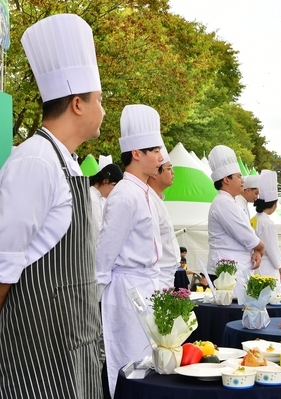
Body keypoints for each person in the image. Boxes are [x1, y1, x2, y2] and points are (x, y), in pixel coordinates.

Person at [0, 14, 104, 399]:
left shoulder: (67, 161)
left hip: (73, 342)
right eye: (99, 100)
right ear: (78, 104)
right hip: (36, 351)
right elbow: (3, 262)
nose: (103, 109)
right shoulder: (35, 162)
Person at [96, 104, 164, 398]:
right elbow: (103, 256)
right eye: (155, 150)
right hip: (127, 292)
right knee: (131, 367)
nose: (161, 157)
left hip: (145, 287)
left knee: (149, 364)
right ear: (136, 153)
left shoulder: (143, 191)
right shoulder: (125, 194)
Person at [206, 145, 265, 304]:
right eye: (239, 176)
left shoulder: (231, 202)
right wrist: (260, 247)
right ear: (226, 179)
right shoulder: (223, 203)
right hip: (227, 272)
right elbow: (245, 235)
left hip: (237, 269)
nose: (242, 180)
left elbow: (248, 235)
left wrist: (257, 248)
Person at [148, 147, 180, 289]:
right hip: (157, 278)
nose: (173, 172)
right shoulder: (149, 200)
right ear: (155, 173)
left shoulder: (158, 199)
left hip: (166, 277)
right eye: (169, 168)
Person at [253, 170, 281, 292]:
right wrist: (280, 269)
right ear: (274, 204)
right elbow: (272, 249)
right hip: (268, 267)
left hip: (256, 266)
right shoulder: (267, 223)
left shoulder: (254, 219)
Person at [90, 163, 123, 240]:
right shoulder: (91, 198)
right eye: (114, 186)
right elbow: (97, 230)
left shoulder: (99, 198)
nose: (115, 191)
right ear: (105, 181)